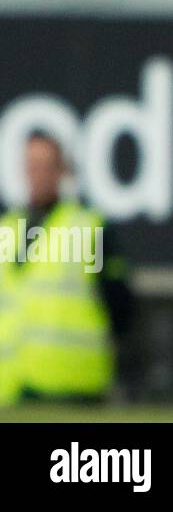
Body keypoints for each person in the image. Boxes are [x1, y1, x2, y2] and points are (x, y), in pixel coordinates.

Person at [0, 133, 134, 407]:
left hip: (74, 385)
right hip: (11, 389)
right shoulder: (7, 228)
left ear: (62, 170)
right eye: (31, 165)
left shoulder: (88, 228)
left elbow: (119, 304)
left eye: (46, 165)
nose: (38, 174)